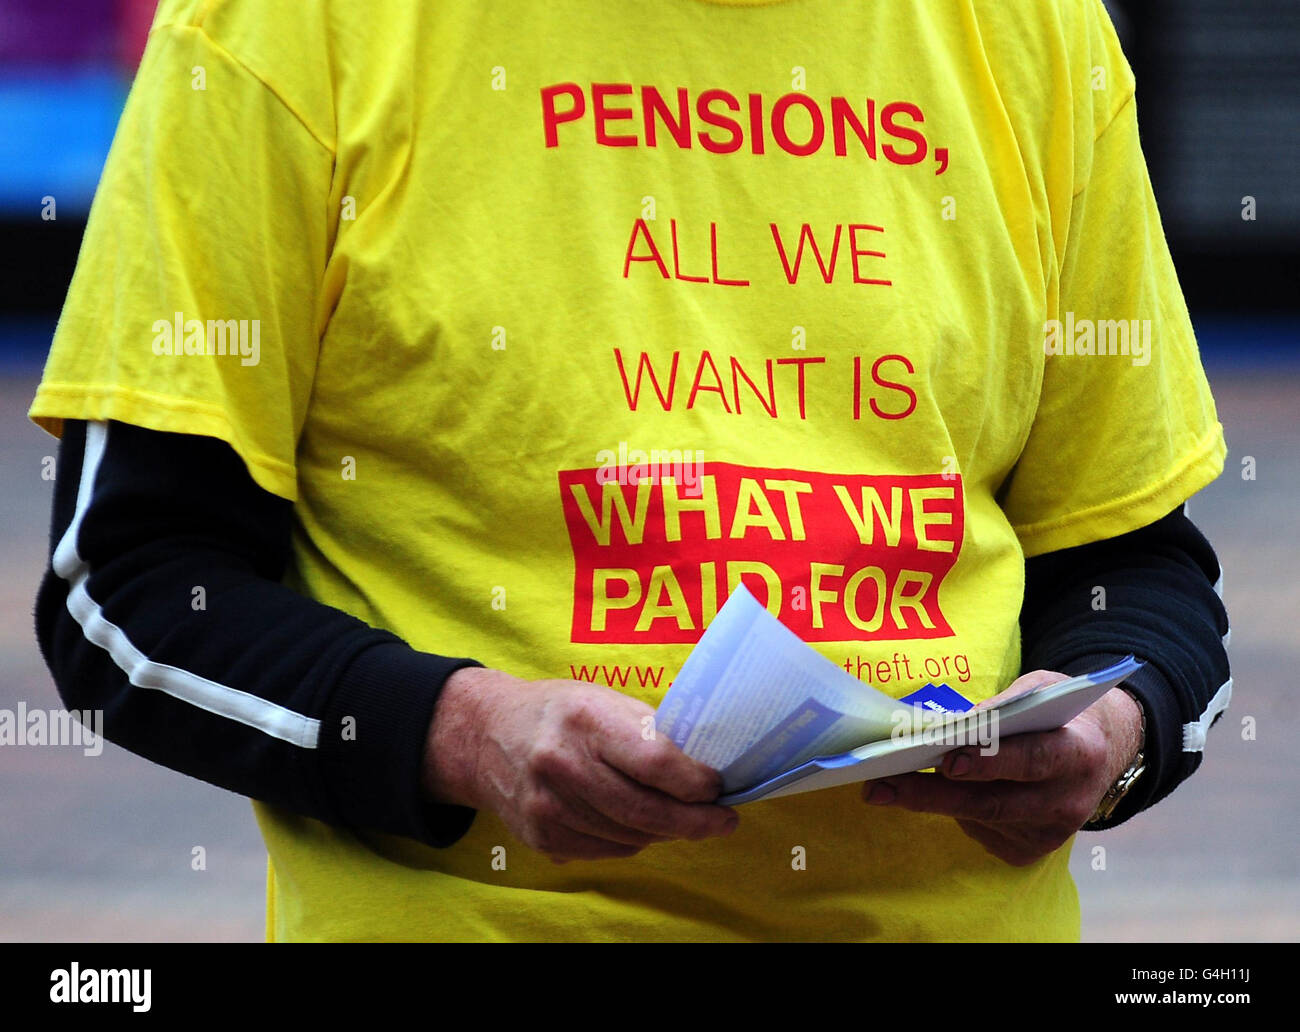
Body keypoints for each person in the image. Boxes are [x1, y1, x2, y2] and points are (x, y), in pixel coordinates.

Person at [31, 0, 1230, 941]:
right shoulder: (284, 25)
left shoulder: (1033, 29)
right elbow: (125, 592)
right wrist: (459, 731)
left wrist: (1112, 729)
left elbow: (1132, 563)